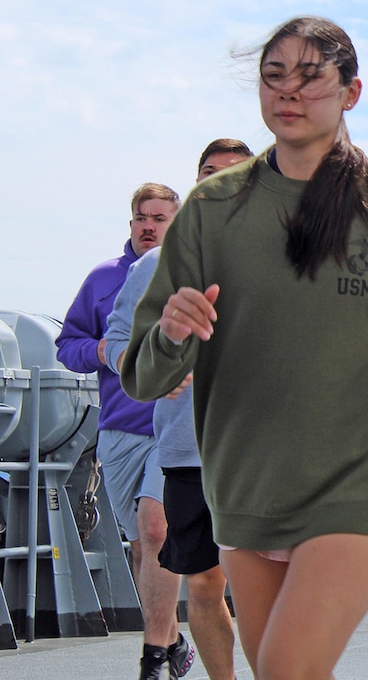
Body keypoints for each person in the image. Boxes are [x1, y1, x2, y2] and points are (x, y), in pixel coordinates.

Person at [120, 16, 368, 680]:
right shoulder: (210, 210)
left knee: (289, 667)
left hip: (360, 482)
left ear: (351, 92)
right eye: (273, 76)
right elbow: (144, 376)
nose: (287, 91)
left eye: (309, 76)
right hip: (244, 489)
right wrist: (172, 331)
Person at [104, 139, 254, 680]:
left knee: (259, 585)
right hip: (186, 449)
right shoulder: (154, 266)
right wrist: (151, 367)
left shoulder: (286, 260)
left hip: (260, 450)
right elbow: (119, 338)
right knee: (205, 585)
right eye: (209, 173)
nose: (219, 183)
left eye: (234, 175)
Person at [56, 182, 195, 679]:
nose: (150, 226)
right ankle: (173, 639)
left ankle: (152, 656)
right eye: (142, 217)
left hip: (176, 428)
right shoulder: (103, 279)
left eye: (161, 218)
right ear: (131, 222)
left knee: (156, 529)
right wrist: (99, 351)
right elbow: (66, 345)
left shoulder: (192, 274)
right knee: (142, 544)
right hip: (121, 430)